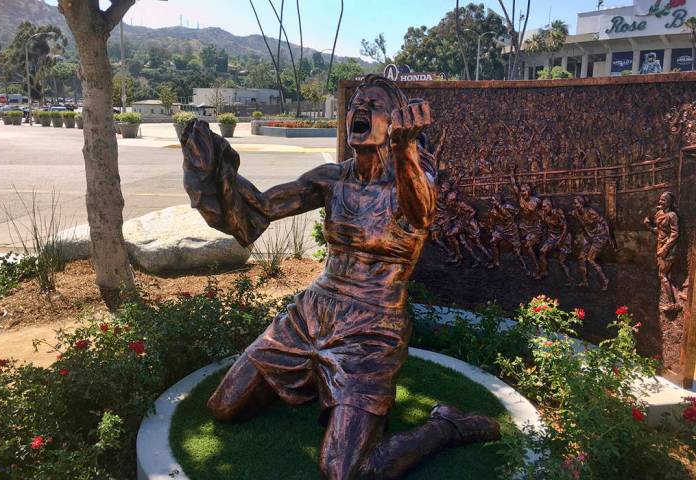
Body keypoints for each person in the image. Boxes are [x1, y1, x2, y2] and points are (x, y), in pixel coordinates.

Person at [181, 74, 499, 480]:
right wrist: (213, 168)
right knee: (223, 407)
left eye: (374, 105)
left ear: (396, 121)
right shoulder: (331, 178)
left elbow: (421, 213)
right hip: (311, 313)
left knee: (343, 471)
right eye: (356, 104)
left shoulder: (412, 177)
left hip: (373, 325)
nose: (360, 109)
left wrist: (404, 150)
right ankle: (323, 381)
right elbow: (258, 209)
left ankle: (446, 427)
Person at [644, 191, 682, 313]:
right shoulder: (660, 213)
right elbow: (660, 231)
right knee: (666, 275)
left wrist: (665, 249)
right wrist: (649, 227)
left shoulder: (672, 215)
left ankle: (672, 304)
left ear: (669, 202)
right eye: (660, 199)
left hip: (668, 249)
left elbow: (675, 234)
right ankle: (677, 303)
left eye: (664, 200)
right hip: (660, 246)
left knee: (663, 275)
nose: (661, 202)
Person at [571, 195, 611, 291]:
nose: (575, 205)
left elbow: (604, 223)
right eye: (574, 203)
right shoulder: (576, 213)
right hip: (589, 236)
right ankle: (585, 281)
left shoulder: (590, 212)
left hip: (600, 235)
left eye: (576, 203)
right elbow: (582, 226)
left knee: (590, 259)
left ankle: (605, 280)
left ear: (582, 204)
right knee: (581, 258)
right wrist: (586, 236)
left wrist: (609, 237)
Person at [486, 192, 528, 272]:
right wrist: (491, 229)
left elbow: (517, 212)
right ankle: (496, 263)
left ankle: (523, 264)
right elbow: (492, 221)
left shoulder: (508, 207)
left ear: (498, 201)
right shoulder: (493, 211)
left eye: (493, 200)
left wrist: (517, 223)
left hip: (510, 231)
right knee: (493, 242)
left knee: (516, 250)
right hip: (500, 230)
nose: (491, 202)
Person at [537, 198, 574, 284]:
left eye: (545, 207)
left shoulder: (558, 212)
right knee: (542, 253)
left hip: (564, 237)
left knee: (561, 261)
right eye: (542, 207)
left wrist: (560, 240)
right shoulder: (544, 215)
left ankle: (569, 278)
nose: (543, 209)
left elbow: (565, 227)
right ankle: (544, 272)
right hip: (552, 237)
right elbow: (545, 228)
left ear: (550, 206)